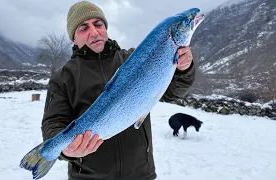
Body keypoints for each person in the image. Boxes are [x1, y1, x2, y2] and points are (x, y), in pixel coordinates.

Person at [41, 1, 196, 180]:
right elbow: (53, 123)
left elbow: (174, 93)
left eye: (98, 24)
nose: (94, 31)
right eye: (83, 28)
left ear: (105, 28)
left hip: (141, 174)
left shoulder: (134, 60)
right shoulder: (63, 77)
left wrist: (184, 69)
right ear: (74, 38)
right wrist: (66, 150)